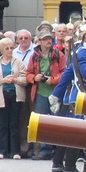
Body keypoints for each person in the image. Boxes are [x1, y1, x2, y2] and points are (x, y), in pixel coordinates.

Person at [51, 24, 86, 172]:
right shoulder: (85, 53)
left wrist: (57, 94)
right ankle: (69, 167)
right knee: (76, 133)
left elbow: (68, 74)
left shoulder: (81, 51)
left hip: (81, 96)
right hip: (82, 96)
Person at [25, 31, 64, 160]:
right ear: (39, 41)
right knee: (41, 122)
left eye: (50, 39)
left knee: (56, 121)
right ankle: (44, 150)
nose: (48, 41)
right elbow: (28, 73)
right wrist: (34, 78)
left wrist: (53, 79)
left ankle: (57, 150)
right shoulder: (34, 56)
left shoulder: (59, 55)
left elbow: (64, 73)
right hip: (40, 92)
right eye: (45, 39)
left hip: (55, 92)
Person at [0, 37, 27, 159]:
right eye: (7, 48)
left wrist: (15, 79)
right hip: (1, 95)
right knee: (2, 124)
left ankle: (15, 151)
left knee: (14, 123)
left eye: (11, 48)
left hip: (15, 95)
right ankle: (1, 151)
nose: (10, 50)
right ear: (1, 50)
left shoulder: (18, 62)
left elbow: (25, 79)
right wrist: (2, 80)